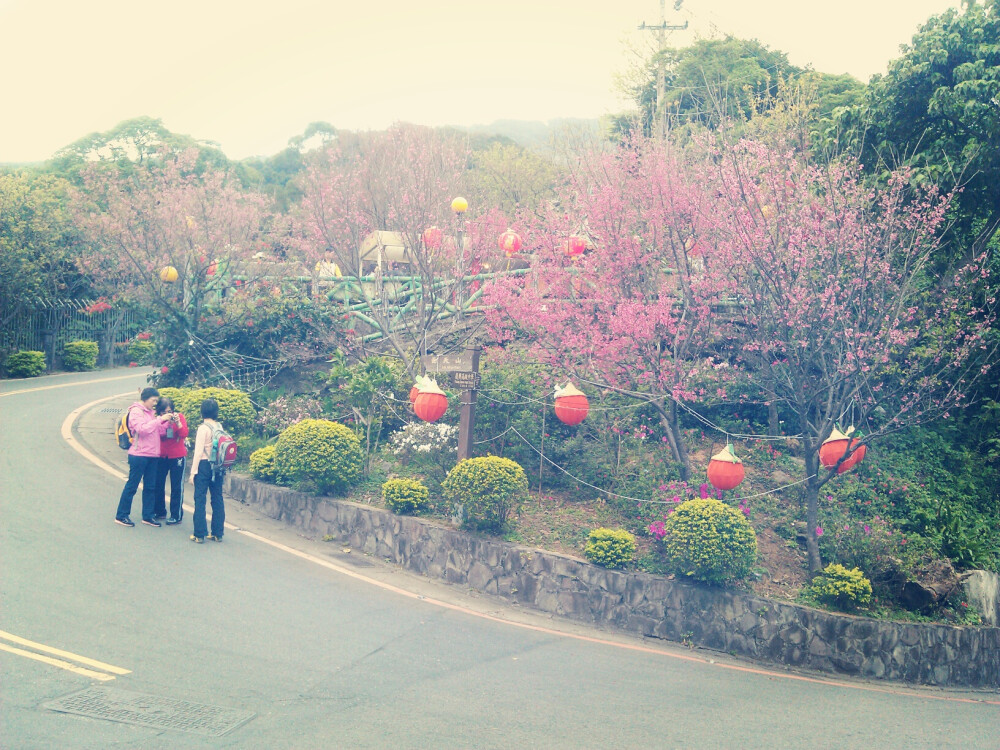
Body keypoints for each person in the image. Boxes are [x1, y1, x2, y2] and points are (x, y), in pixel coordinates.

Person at [115, 387, 172, 527]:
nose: (154, 403)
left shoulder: (151, 413)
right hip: (139, 455)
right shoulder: (136, 411)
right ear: (145, 398)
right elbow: (142, 429)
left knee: (150, 487)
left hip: (152, 454)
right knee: (132, 486)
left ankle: (147, 516)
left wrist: (169, 422)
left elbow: (158, 431)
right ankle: (121, 515)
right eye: (153, 400)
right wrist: (159, 419)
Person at [188, 398, 226, 543]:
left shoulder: (203, 428)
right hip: (217, 467)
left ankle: (199, 534)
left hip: (204, 466)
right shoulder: (219, 426)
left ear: (202, 412)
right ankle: (217, 533)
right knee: (217, 498)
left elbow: (198, 453)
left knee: (200, 499)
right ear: (216, 412)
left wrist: (193, 473)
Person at [153, 396, 188, 525]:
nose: (167, 414)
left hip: (177, 456)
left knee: (176, 486)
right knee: (158, 483)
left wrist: (177, 423)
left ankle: (176, 515)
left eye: (169, 411)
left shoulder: (180, 417)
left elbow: (184, 434)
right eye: (164, 412)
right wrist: (163, 421)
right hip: (161, 455)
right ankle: (160, 510)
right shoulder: (158, 420)